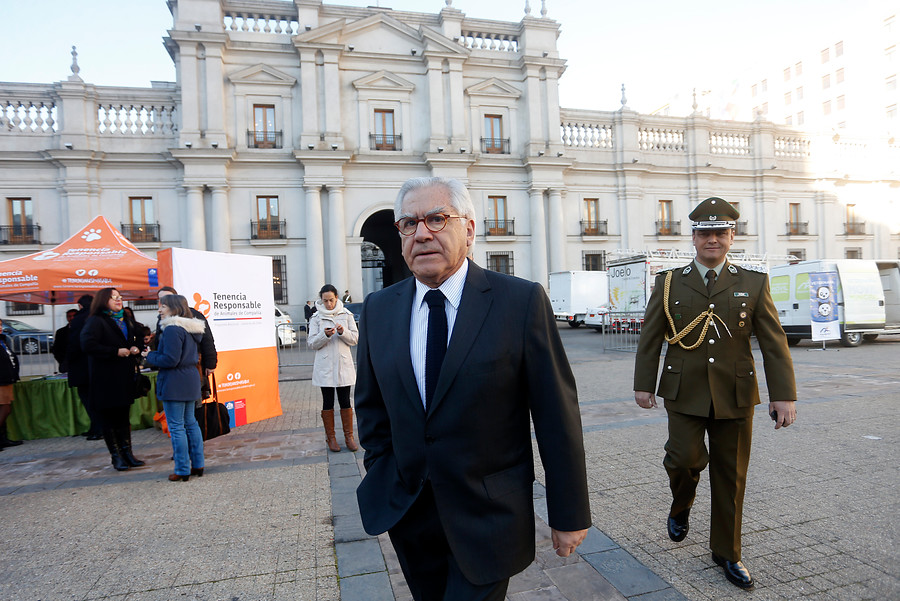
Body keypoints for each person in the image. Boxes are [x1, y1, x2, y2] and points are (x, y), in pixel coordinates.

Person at [354, 177, 590, 600]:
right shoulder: (378, 309)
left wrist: (568, 512)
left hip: (489, 516)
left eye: (437, 219)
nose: (422, 233)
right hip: (410, 515)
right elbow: (372, 410)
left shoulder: (520, 303)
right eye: (408, 223)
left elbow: (557, 416)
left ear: (469, 229)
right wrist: (384, 473)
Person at [633, 196, 797, 590]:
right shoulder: (669, 282)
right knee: (683, 458)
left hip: (736, 394)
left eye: (719, 233)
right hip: (684, 390)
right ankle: (682, 504)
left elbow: (774, 343)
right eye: (704, 233)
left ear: (731, 236)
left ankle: (727, 552)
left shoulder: (752, 282)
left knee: (731, 476)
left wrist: (783, 395)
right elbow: (651, 335)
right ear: (693, 237)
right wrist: (643, 382)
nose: (712, 240)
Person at [143, 294, 206, 482]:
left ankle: (182, 469)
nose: (159, 310)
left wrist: (150, 356)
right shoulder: (191, 328)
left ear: (173, 308)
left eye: (162, 306)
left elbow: (171, 359)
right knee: (191, 423)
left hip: (175, 381)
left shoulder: (172, 329)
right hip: (190, 378)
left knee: (177, 427)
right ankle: (198, 464)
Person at [81, 288, 145, 471]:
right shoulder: (96, 320)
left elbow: (139, 338)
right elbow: (87, 345)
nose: (119, 300)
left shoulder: (126, 319)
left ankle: (128, 453)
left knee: (123, 418)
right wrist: (114, 352)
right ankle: (116, 456)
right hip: (105, 378)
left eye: (120, 297)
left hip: (123, 377)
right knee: (109, 419)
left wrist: (136, 348)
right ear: (103, 300)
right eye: (114, 298)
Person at [308, 284, 359, 452]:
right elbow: (311, 343)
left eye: (331, 300)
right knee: (328, 401)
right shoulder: (316, 317)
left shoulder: (346, 314)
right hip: (325, 365)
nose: (328, 304)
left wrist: (343, 332)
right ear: (320, 300)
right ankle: (331, 438)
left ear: (336, 297)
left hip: (343, 364)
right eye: (325, 301)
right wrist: (325, 335)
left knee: (345, 400)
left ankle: (349, 437)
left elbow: (355, 339)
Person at [156, 286, 217, 399]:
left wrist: (210, 362)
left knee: (192, 407)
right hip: (172, 373)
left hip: (193, 367)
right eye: (161, 300)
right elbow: (158, 341)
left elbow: (207, 340)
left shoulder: (194, 315)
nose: (163, 302)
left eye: (167, 298)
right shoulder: (161, 318)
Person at [67, 295, 101, 440]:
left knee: (88, 399)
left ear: (80, 306)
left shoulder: (79, 320)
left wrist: (68, 360)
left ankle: (97, 428)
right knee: (96, 398)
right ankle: (96, 427)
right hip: (97, 365)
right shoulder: (99, 317)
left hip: (82, 366)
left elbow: (74, 344)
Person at [0, 319, 23, 450]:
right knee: (5, 408)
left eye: (0, 325)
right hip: (1, 380)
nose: (0, 328)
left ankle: (3, 439)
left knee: (5, 408)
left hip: (7, 378)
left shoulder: (3, 340)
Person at [52, 309, 77, 373]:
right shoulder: (60, 332)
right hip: (66, 364)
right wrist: (62, 361)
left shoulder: (84, 329)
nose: (71, 318)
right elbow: (56, 349)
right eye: (69, 316)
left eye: (74, 316)